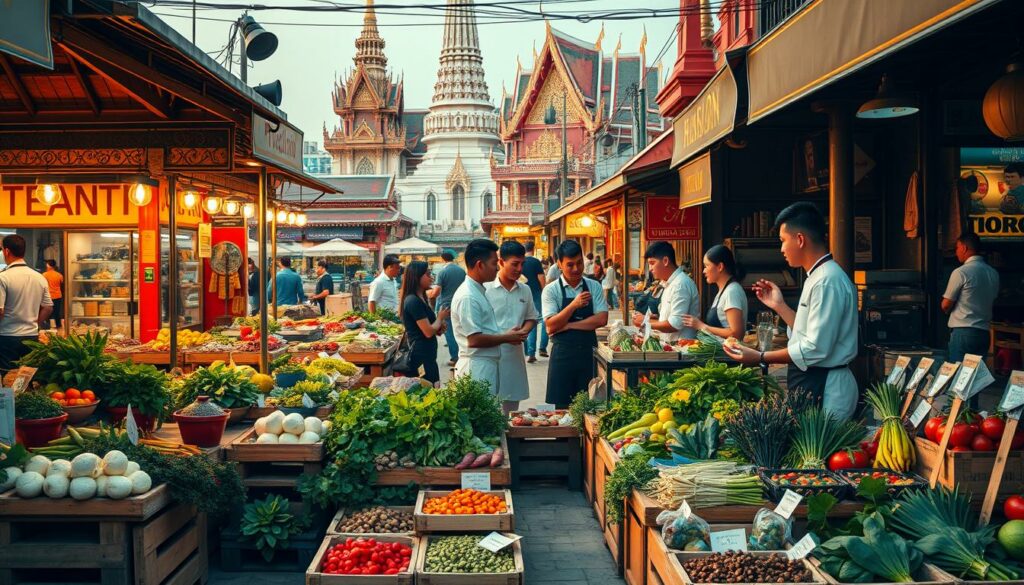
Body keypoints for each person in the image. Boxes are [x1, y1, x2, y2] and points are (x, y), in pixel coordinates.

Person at [723, 202, 858, 420]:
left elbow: (815, 348)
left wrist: (760, 356)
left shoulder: (826, 281)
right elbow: (808, 333)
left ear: (800, 239)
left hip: (827, 386)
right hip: (814, 381)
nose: (782, 249)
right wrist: (780, 306)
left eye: (783, 241)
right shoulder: (817, 276)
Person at [451, 239, 527, 395]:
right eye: (494, 263)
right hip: (476, 367)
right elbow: (474, 340)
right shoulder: (468, 296)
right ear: (480, 265)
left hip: (485, 365)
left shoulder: (478, 291)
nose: (497, 268)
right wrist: (506, 337)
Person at [543, 240, 608, 408]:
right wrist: (574, 305)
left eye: (579, 263)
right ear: (559, 264)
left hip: (588, 354)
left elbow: (601, 319)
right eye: (570, 265)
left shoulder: (593, 286)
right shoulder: (551, 290)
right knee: (561, 408)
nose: (576, 269)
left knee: (589, 406)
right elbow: (551, 326)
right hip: (562, 355)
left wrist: (569, 325)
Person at [486, 241, 539, 414]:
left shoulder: (525, 290)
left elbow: (532, 317)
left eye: (522, 264)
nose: (519, 269)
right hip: (489, 354)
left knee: (510, 409)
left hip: (515, 355)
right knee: (489, 404)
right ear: (501, 262)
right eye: (514, 264)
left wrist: (525, 331)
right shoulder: (485, 289)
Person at [942, 233, 999, 363]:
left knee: (959, 376)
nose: (956, 252)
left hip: (963, 332)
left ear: (964, 247)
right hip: (984, 333)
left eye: (957, 248)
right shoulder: (993, 273)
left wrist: (948, 310)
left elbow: (945, 304)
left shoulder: (961, 272)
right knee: (975, 377)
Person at [0, 235, 53, 374]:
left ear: (6, 251)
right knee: (26, 377)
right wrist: (35, 323)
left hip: (7, 337)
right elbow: (48, 307)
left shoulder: (3, 277)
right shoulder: (39, 277)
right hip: (31, 337)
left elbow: (0, 310)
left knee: (7, 377)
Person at [632, 241, 700, 342]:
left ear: (665, 261)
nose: (650, 269)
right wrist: (654, 318)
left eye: (652, 263)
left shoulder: (680, 284)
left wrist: (645, 322)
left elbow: (675, 324)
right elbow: (671, 317)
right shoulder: (669, 284)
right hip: (671, 346)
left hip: (681, 348)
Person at [398, 261, 449, 384]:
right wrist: (440, 318)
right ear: (416, 276)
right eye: (427, 274)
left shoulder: (422, 298)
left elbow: (430, 329)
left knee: (433, 386)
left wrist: (439, 328)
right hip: (420, 355)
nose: (431, 277)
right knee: (428, 389)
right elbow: (427, 332)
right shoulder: (413, 301)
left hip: (428, 355)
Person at [682, 245, 748, 340]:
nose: (704, 271)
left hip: (728, 354)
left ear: (720, 267)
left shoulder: (732, 291)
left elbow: (736, 333)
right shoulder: (723, 290)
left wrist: (701, 326)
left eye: (706, 266)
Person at [427, 250, 465, 367]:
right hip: (461, 303)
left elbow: (436, 292)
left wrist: (430, 294)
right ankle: (462, 355)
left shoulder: (443, 272)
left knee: (449, 332)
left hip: (447, 306)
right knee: (459, 330)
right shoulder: (461, 271)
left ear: (443, 259)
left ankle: (455, 357)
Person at [520, 240, 546, 364]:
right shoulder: (536, 262)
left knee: (523, 321)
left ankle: (527, 352)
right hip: (535, 293)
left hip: (521, 293)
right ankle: (532, 352)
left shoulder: (521, 262)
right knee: (534, 320)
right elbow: (541, 278)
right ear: (533, 249)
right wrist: (543, 292)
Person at [42, 260, 63, 330]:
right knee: (57, 312)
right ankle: (59, 326)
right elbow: (61, 284)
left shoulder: (44, 275)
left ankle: (47, 327)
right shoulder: (59, 275)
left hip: (48, 296)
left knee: (48, 312)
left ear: (48, 266)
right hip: (58, 296)